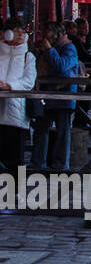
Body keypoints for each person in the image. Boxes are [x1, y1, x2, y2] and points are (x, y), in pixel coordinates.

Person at [39, 22, 79, 171]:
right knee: (42, 127)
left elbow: (62, 66)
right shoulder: (58, 48)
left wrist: (49, 50)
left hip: (64, 95)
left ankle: (61, 164)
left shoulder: (69, 48)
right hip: (50, 95)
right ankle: (41, 161)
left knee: (62, 130)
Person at [0, 21, 35, 177]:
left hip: (17, 113)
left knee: (16, 157)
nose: (21, 34)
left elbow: (29, 81)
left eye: (22, 31)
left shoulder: (28, 56)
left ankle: (15, 191)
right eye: (16, 30)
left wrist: (9, 86)